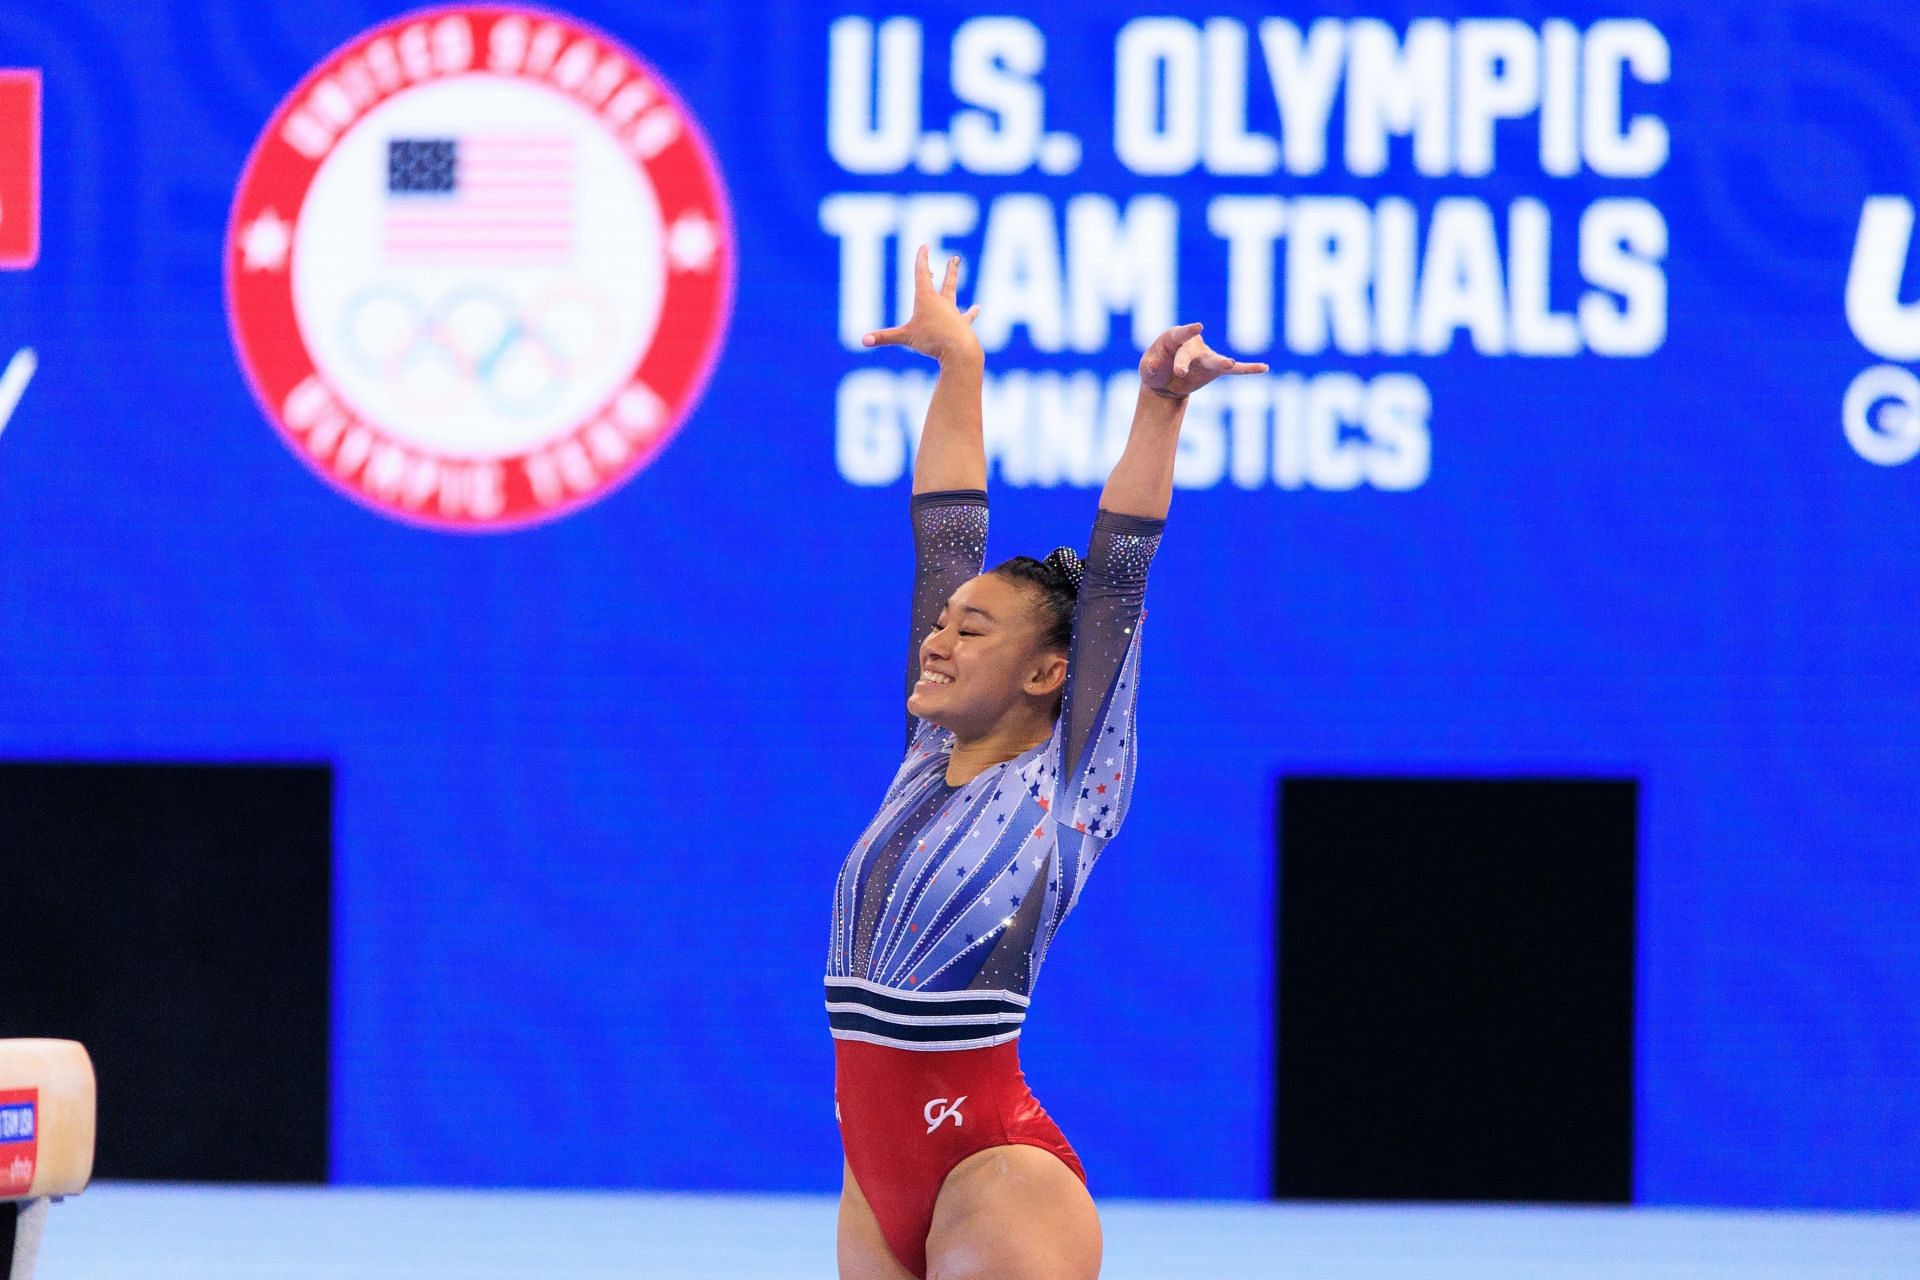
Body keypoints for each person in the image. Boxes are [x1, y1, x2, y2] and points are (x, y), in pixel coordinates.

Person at [826, 246, 1266, 1279]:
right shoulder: (926, 755)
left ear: (1047, 673)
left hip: (996, 1168)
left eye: (971, 630)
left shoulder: (1072, 783)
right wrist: (959, 369)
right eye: (940, 622)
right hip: (872, 1170)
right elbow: (945, 530)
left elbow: (1115, 571)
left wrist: (1159, 405)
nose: (937, 637)